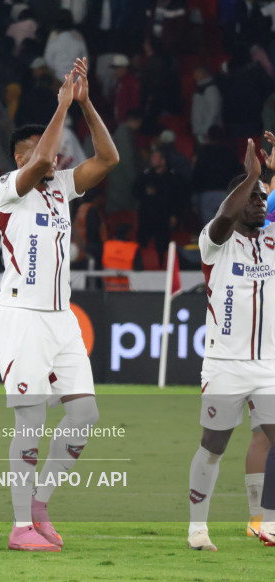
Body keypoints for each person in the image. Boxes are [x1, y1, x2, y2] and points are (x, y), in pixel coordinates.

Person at [0, 57, 118, 552]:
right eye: (28, 154)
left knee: (85, 414)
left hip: (61, 317)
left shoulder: (62, 189)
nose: (43, 161)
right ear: (15, 160)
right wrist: (60, 104)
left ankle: (40, 502)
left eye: (44, 153)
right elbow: (43, 159)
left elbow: (108, 160)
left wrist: (84, 105)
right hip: (21, 317)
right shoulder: (7, 191)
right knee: (30, 420)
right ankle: (20, 525)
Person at [188, 139, 275, 551]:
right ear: (236, 201)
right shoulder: (215, 243)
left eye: (264, 198)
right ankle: (197, 529)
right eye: (254, 198)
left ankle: (264, 522)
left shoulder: (273, 240)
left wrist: (268, 174)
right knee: (213, 446)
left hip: (269, 366)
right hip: (224, 365)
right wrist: (254, 176)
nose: (261, 203)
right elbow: (225, 215)